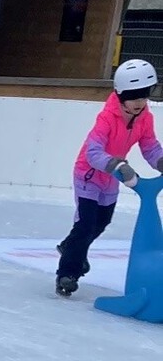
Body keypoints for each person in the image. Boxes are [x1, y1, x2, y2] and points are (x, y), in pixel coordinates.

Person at [56, 57, 163, 296]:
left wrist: (161, 162)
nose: (140, 103)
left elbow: (150, 146)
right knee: (85, 225)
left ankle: (70, 247)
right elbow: (93, 153)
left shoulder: (146, 118)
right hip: (88, 174)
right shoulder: (106, 118)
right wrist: (117, 164)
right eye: (134, 97)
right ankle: (67, 274)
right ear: (121, 95)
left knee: (102, 222)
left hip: (111, 178)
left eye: (144, 96)